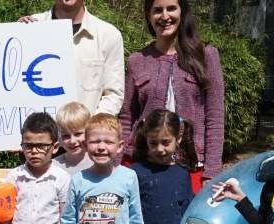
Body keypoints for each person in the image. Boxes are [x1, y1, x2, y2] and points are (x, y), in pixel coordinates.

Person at [119, 0, 225, 189]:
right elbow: (127, 116)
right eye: (157, 10)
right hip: (144, 162)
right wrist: (118, 162)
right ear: (149, 15)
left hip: (191, 164)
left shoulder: (206, 55)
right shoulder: (137, 60)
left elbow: (215, 117)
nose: (165, 16)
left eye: (171, 8)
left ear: (182, 11)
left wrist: (212, 171)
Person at [19, 0, 125, 115]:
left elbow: (113, 95)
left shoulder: (108, 36)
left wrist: (92, 124)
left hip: (87, 125)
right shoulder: (30, 26)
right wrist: (16, 33)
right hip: (38, 125)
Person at [54, 102, 94, 174]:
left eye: (78, 134)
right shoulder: (53, 166)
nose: (72, 141)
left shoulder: (98, 163)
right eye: (66, 136)